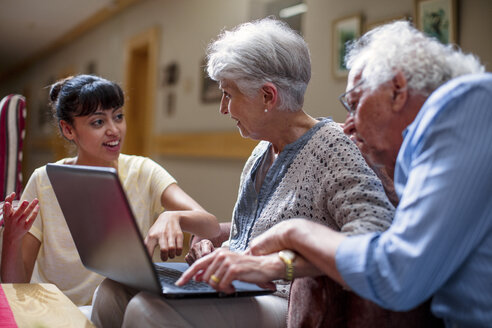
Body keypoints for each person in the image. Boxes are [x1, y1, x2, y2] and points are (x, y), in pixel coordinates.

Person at [181, 21, 492, 327]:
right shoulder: (451, 136)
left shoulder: (464, 105)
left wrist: (294, 235)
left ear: (397, 89)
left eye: (354, 103)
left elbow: (393, 271)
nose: (349, 125)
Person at [91, 18, 395, 328]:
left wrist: (275, 266)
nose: (223, 108)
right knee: (112, 291)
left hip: (282, 298)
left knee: (147, 310)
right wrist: (217, 246)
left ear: (267, 96)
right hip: (239, 289)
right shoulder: (261, 152)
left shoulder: (332, 147)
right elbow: (251, 233)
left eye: (229, 94)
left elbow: (376, 234)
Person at [0, 74, 220, 307]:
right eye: (98, 122)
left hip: (117, 308)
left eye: (118, 116)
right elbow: (17, 283)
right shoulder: (43, 180)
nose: (114, 130)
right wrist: (12, 239)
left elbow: (211, 225)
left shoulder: (143, 171)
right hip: (54, 311)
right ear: (68, 129)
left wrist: (172, 215)